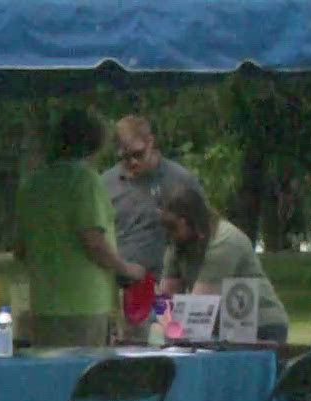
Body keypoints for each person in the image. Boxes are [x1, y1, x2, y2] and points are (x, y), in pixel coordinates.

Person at [16, 108, 144, 348]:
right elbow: (93, 241)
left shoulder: (33, 184)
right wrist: (126, 269)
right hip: (85, 304)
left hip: (43, 304)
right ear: (94, 144)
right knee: (83, 376)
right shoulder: (86, 180)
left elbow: (21, 249)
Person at [102, 114, 203, 339]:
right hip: (122, 292)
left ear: (151, 142)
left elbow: (200, 231)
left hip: (168, 290)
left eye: (138, 154)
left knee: (167, 352)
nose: (132, 162)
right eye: (124, 157)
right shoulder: (105, 184)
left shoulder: (180, 179)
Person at [158, 185, 290, 344]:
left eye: (172, 226)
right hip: (224, 330)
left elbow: (198, 308)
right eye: (164, 226)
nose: (168, 233)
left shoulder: (224, 241)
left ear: (190, 221)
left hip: (261, 325)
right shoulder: (177, 244)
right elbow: (166, 300)